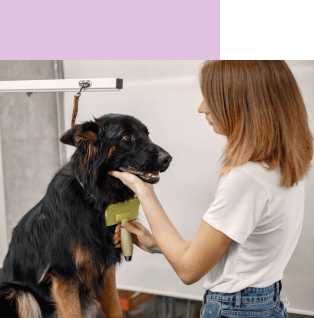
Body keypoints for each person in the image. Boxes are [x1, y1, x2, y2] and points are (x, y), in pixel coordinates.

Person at [109, 60, 313, 317]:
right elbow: (244, 250)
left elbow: (188, 270)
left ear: (240, 102)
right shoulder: (280, 165)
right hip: (266, 303)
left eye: (210, 97)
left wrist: (144, 189)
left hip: (236, 309)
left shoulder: (246, 178)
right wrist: (160, 243)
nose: (201, 107)